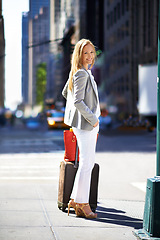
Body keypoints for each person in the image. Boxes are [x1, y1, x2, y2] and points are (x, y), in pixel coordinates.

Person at [62, 39, 100, 219]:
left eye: (92, 52)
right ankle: (82, 203)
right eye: (86, 53)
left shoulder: (79, 72)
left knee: (88, 163)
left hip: (85, 124)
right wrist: (92, 119)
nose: (90, 56)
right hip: (86, 125)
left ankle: (76, 200)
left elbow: (66, 93)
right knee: (86, 164)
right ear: (79, 55)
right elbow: (77, 101)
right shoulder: (81, 74)